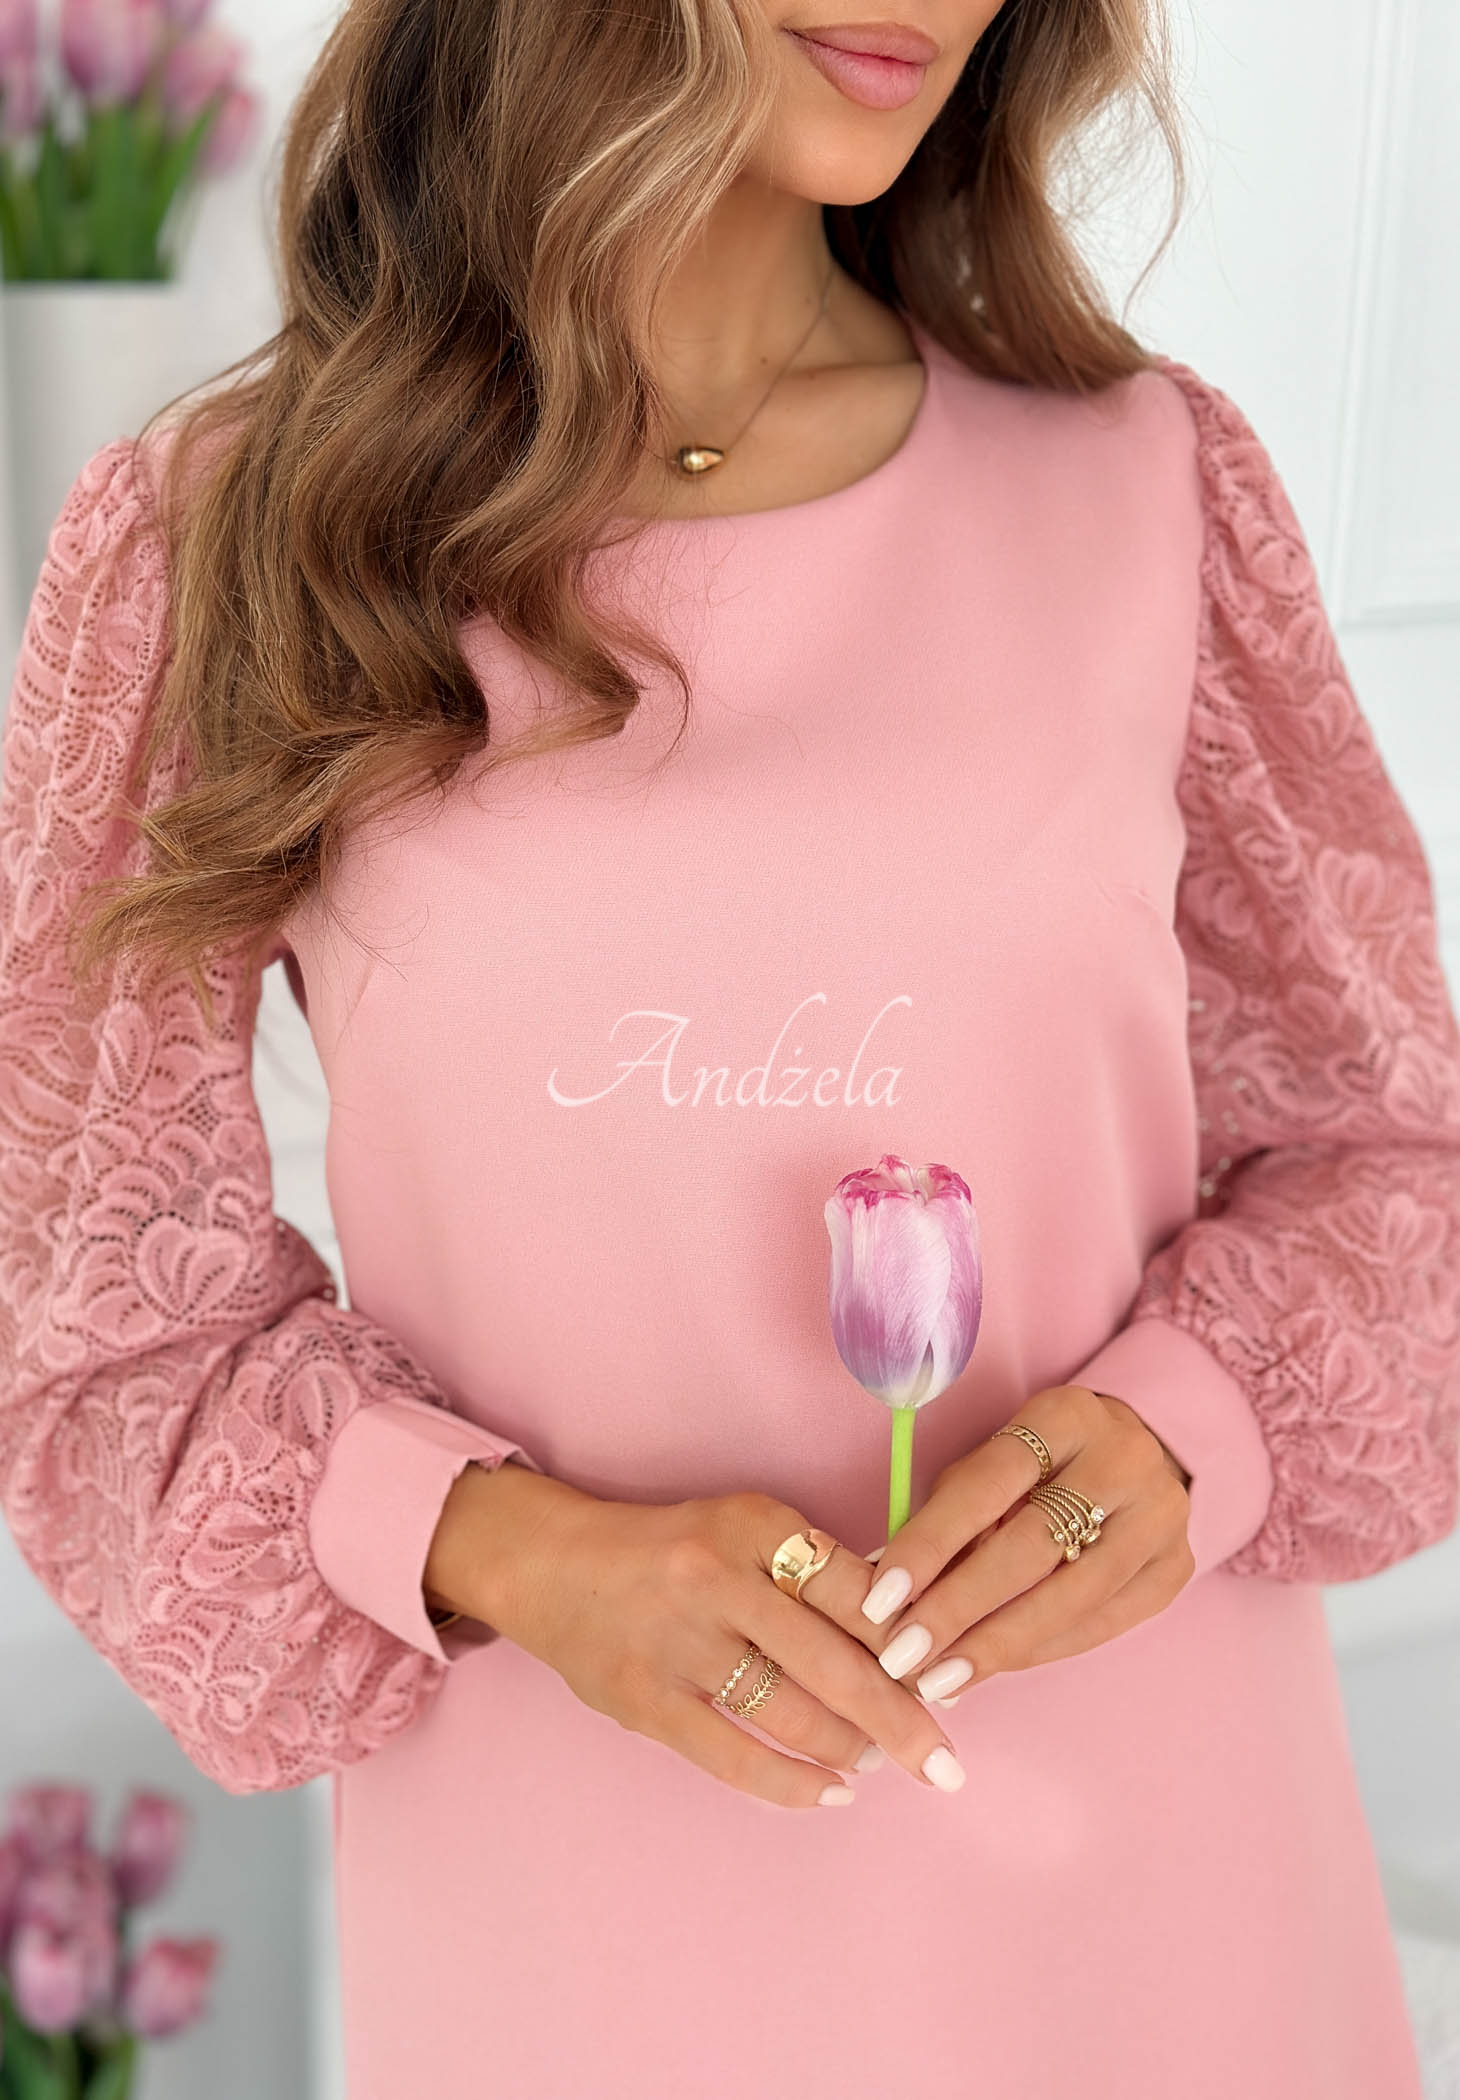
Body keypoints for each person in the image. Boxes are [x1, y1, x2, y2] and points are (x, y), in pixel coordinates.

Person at [1, 1, 1457, 2094]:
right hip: (583, 1932)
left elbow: (1394, 1158)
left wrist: (1185, 1433)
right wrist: (517, 1552)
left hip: (1164, 1896)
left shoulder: (1145, 487)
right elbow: (85, 1317)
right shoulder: (223, 543)